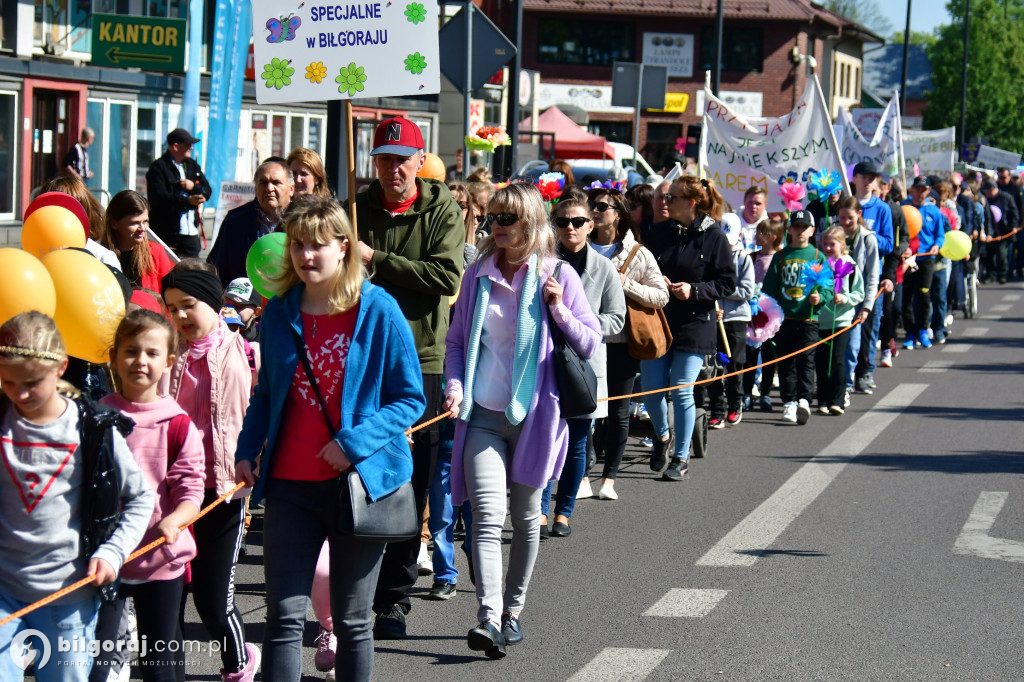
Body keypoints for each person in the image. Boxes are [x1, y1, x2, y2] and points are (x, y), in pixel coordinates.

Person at [233, 197, 424, 681]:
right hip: (288, 487)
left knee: (355, 621)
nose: (306, 255)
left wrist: (353, 443)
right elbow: (266, 394)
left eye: (318, 244)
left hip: (359, 486)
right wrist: (245, 450)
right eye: (298, 244)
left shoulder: (379, 310)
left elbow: (410, 399)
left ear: (344, 247)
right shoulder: (278, 313)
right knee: (282, 619)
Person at [443, 183, 601, 658]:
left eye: (507, 218)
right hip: (484, 416)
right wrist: (456, 386)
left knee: (527, 517)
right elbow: (456, 343)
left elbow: (591, 343)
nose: (498, 227)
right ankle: (489, 617)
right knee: (485, 521)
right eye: (493, 218)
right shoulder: (477, 275)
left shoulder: (560, 274)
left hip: (538, 416)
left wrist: (558, 310)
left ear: (531, 221)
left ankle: (514, 612)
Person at [347, 116, 463, 640]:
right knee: (354, 473)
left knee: (410, 481)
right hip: (359, 357)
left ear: (421, 161)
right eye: (383, 159)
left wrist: (375, 258)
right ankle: (352, 592)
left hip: (421, 359)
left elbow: (444, 277)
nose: (391, 168)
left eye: (401, 159)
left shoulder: (442, 209)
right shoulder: (356, 207)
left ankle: (393, 599)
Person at [0, 311, 153, 682]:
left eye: (32, 383)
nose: (20, 394)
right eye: (8, 382)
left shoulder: (92, 428)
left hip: (68, 596)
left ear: (61, 368)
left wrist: (112, 552)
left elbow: (140, 497)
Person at [92, 310, 205, 682]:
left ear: (168, 362)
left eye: (152, 353)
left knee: (158, 664)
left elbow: (191, 490)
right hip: (104, 560)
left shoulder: (177, 424)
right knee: (98, 660)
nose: (140, 361)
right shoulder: (96, 418)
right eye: (130, 351)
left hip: (159, 561)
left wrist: (175, 519)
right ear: (113, 357)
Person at [160, 262, 259, 682]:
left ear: (213, 302)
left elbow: (264, 409)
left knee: (214, 602)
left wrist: (255, 456)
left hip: (223, 490)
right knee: (170, 598)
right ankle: (169, 673)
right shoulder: (167, 353)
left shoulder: (243, 349)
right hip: (174, 493)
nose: (180, 316)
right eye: (172, 309)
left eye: (188, 305)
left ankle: (239, 664)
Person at [539, 188, 625, 536]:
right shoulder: (541, 262)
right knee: (544, 437)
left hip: (583, 365)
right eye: (562, 222)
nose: (569, 228)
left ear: (591, 225)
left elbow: (616, 319)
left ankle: (564, 512)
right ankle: (541, 509)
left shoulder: (603, 268)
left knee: (576, 442)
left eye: (577, 222)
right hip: (544, 360)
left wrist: (579, 321)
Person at [642, 176, 735, 478]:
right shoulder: (657, 232)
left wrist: (693, 290)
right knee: (652, 393)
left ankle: (680, 458)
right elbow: (642, 269)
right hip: (658, 320)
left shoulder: (714, 237)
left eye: (673, 197)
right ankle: (662, 436)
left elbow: (727, 283)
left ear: (691, 203)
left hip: (695, 323)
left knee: (681, 390)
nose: (665, 202)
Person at [589, 186, 668, 499]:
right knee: (588, 408)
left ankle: (609, 479)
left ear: (618, 215)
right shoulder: (578, 248)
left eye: (602, 206)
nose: (594, 211)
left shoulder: (638, 253)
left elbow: (661, 296)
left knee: (619, 411)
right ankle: (583, 471)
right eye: (591, 205)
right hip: (585, 340)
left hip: (621, 342)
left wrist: (627, 284)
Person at [761, 209, 834, 425]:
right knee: (785, 362)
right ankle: (788, 402)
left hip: (808, 320)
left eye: (804, 228)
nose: (800, 231)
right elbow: (770, 290)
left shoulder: (817, 256)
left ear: (812, 231)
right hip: (785, 320)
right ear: (789, 229)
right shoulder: (781, 257)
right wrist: (768, 314)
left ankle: (804, 399)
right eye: (796, 227)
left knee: (806, 361)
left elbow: (828, 287)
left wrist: (819, 297)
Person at [208, 157, 295, 288]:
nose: (269, 188)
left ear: (291, 189)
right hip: (242, 301)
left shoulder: (302, 222)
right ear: (256, 188)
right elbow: (217, 267)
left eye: (276, 183)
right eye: (263, 182)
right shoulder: (235, 221)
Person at [706, 213, 755, 428]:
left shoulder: (743, 258)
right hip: (715, 318)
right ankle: (717, 409)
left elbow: (747, 290)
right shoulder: (711, 257)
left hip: (736, 318)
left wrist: (722, 290)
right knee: (715, 364)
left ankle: (736, 404)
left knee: (735, 363)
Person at [815, 227, 865, 416]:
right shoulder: (820, 265)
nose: (828, 247)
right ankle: (822, 399)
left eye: (832, 244)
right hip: (822, 320)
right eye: (825, 244)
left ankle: (837, 399)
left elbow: (859, 293)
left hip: (842, 320)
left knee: (836, 360)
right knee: (821, 361)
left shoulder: (850, 266)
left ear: (842, 245)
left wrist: (846, 299)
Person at [834, 196, 879, 398]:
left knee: (852, 345)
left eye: (850, 218)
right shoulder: (834, 234)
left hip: (856, 299)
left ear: (859, 214)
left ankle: (847, 383)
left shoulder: (868, 238)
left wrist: (867, 306)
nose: (845, 222)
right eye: (842, 217)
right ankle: (834, 383)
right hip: (834, 299)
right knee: (834, 346)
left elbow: (872, 275)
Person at [146, 128, 212, 258]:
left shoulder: (192, 165)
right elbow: (159, 197)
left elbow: (207, 190)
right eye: (187, 145)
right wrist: (187, 201)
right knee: (167, 272)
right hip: (166, 233)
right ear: (175, 146)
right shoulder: (158, 168)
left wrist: (193, 187)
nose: (191, 148)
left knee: (192, 272)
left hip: (190, 232)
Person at [742, 218, 785, 412]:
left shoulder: (780, 259)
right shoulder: (751, 257)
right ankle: (747, 392)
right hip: (752, 312)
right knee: (750, 355)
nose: (757, 236)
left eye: (762, 233)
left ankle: (766, 392)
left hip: (770, 314)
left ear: (773, 237)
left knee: (769, 355)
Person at [901, 177, 947, 349]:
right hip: (907, 257)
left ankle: (922, 329)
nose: (920, 193)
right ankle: (910, 332)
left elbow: (940, 235)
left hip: (926, 258)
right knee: (906, 297)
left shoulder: (934, 211)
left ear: (928, 191)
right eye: (918, 189)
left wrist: (937, 245)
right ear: (912, 189)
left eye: (924, 189)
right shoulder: (903, 208)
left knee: (924, 294)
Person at [39, 174, 120, 271]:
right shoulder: (32, 253)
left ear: (84, 211)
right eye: (52, 209)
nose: (60, 216)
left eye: (69, 209)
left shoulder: (103, 257)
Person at [101, 190, 176, 291]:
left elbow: (170, 292)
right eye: (135, 223)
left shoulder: (155, 252)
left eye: (145, 222)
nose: (143, 228)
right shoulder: (100, 255)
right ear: (114, 224)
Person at [448, 181, 481, 267]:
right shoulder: (432, 237)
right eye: (450, 204)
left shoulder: (480, 245)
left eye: (462, 205)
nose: (456, 209)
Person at [222, 277, 263, 342]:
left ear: (256, 312)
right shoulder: (213, 334)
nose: (230, 310)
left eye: (238, 306)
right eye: (225, 305)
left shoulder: (263, 340)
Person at [737, 186, 768, 252]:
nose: (753, 206)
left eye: (758, 204)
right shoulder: (733, 224)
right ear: (744, 202)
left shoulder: (771, 228)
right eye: (750, 202)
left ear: (765, 205)